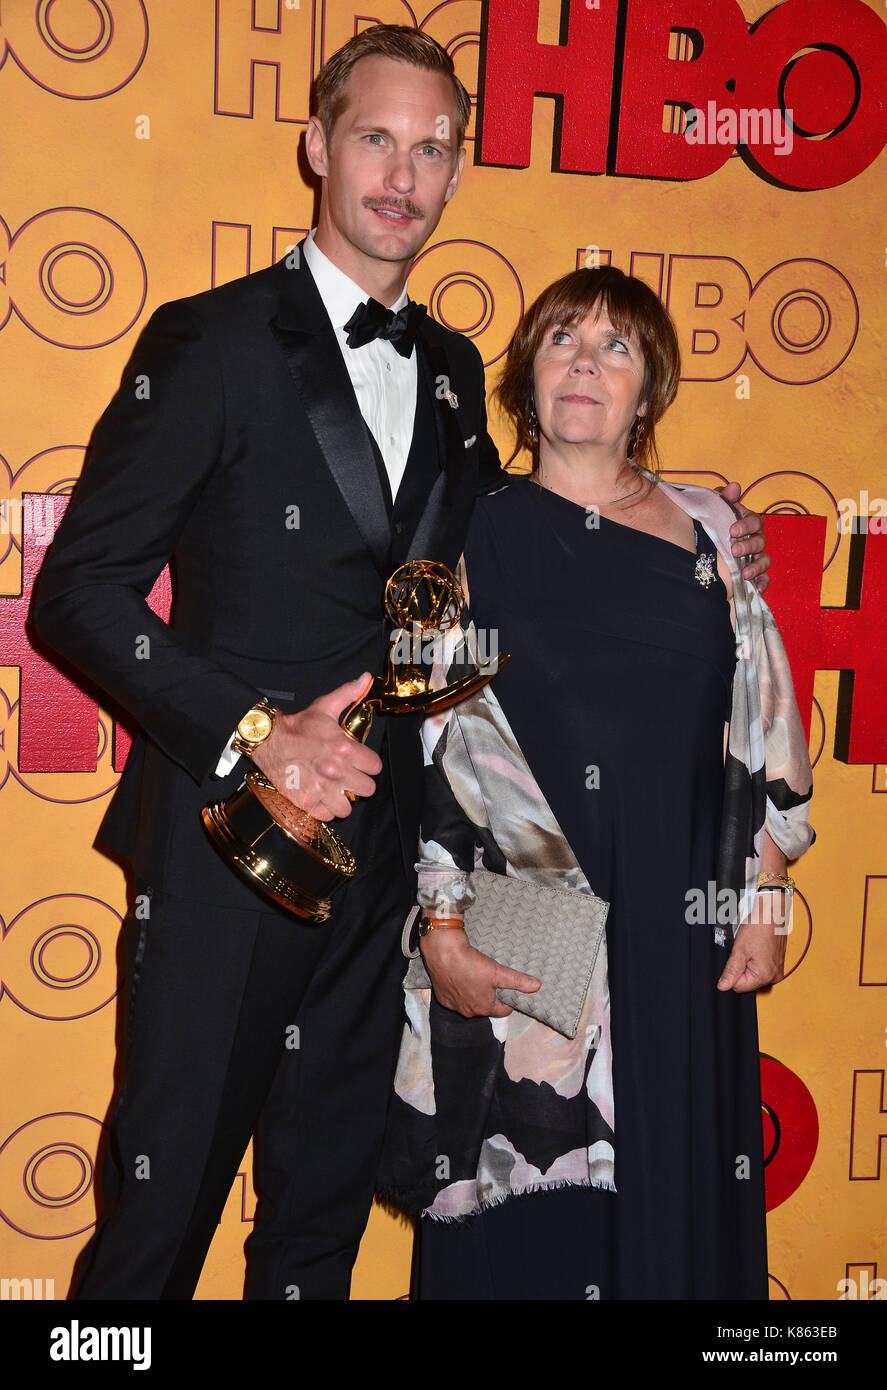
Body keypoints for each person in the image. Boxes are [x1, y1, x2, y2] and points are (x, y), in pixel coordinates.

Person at [31, 26, 769, 1300]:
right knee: (154, 1233)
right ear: (317, 144)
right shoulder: (208, 344)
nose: (402, 174)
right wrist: (262, 731)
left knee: (315, 1232)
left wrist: (687, 513)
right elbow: (78, 594)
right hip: (224, 852)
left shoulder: (445, 372)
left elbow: (531, 529)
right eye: (375, 137)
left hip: (380, 885)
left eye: (433, 149)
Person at [378, 266, 813, 1300]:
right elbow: (431, 751)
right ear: (526, 376)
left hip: (680, 935)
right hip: (528, 934)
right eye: (564, 339)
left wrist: (760, 893)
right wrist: (441, 932)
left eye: (616, 347)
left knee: (672, 1213)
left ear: (648, 390)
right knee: (530, 1215)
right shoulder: (463, 529)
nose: (585, 362)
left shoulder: (710, 530)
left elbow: (756, 726)